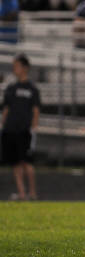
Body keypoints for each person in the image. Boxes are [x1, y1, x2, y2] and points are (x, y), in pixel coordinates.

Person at [2, 54, 40, 201]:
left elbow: (35, 110)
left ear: (25, 68)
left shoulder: (32, 89)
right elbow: (6, 109)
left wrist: (33, 129)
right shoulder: (11, 88)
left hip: (24, 130)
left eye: (17, 66)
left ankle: (32, 193)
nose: (14, 69)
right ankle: (22, 193)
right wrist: (3, 125)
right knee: (15, 162)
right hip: (10, 129)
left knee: (27, 162)